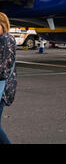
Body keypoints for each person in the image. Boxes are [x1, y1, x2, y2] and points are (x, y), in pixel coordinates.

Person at [0, 13, 16, 145]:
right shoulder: (8, 38)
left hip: (2, 89)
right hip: (6, 88)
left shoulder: (4, 39)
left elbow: (2, 66)